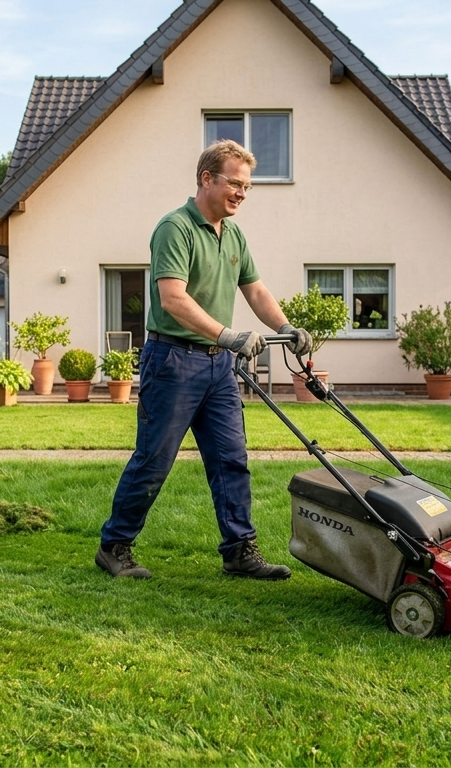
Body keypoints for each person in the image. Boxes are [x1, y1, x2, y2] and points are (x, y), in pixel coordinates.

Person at [96, 140, 312, 581]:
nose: (241, 194)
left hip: (218, 368)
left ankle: (239, 550)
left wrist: (285, 328)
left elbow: (255, 289)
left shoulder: (232, 234)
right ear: (206, 179)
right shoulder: (175, 228)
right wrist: (229, 334)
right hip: (173, 360)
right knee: (154, 460)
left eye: (247, 187)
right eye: (235, 183)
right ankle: (114, 546)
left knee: (231, 459)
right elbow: (173, 300)